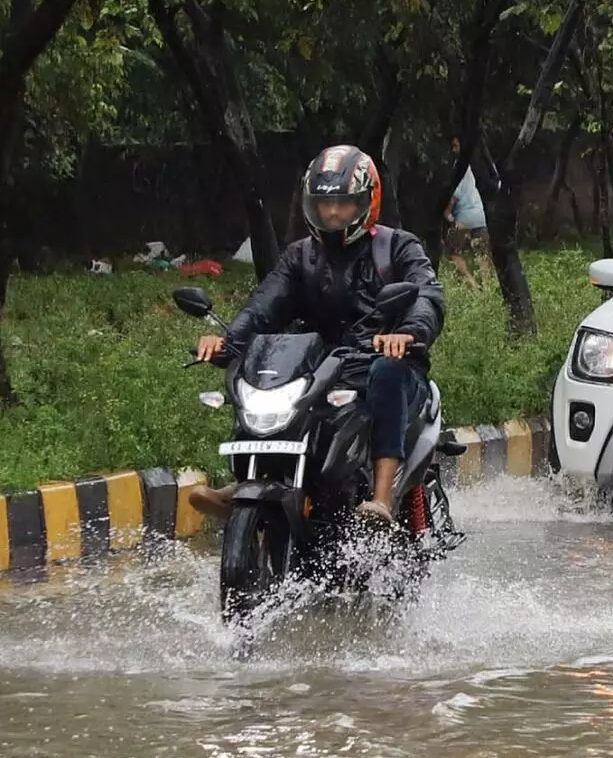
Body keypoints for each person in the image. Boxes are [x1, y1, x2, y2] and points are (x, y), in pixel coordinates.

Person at [189, 145, 446, 525]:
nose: (333, 213)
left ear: (367, 202)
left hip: (384, 365)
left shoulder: (396, 246)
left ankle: (381, 497)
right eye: (325, 204)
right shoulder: (300, 257)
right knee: (259, 376)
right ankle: (247, 482)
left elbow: (427, 294)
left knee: (386, 373)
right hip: (320, 368)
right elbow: (263, 306)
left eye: (344, 203)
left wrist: (408, 332)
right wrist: (228, 342)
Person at [444, 137, 494, 291]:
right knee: (482, 254)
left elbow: (455, 195)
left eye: (456, 145)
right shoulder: (472, 167)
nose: (453, 149)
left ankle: (473, 285)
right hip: (480, 214)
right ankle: (487, 288)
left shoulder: (459, 167)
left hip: (464, 217)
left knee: (452, 252)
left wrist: (449, 213)